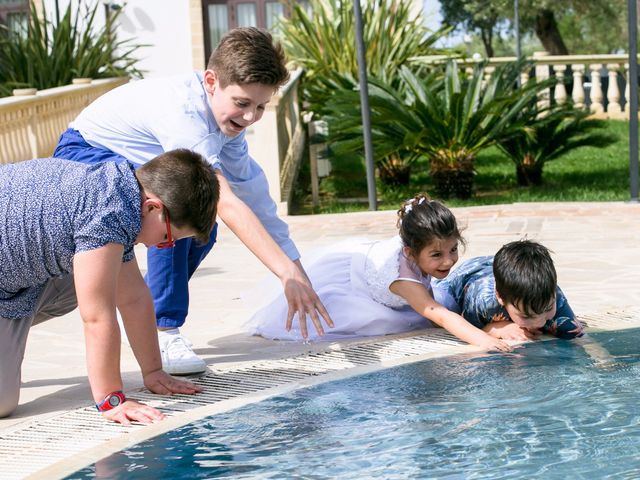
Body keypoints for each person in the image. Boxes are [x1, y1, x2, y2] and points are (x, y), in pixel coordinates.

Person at [53, 27, 332, 375]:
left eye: (261, 106)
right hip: (84, 159)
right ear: (211, 81)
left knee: (198, 226)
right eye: (243, 103)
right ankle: (165, 331)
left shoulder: (226, 124)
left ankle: (155, 315)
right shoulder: (186, 115)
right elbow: (226, 202)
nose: (249, 117)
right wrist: (284, 272)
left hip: (125, 166)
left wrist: (299, 277)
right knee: (175, 215)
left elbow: (256, 199)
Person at [0, 149, 220, 424]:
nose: (163, 247)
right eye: (168, 239)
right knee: (3, 401)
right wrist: (111, 400)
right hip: (9, 280)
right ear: (153, 208)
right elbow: (96, 318)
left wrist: (154, 372)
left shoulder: (119, 191)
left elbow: (133, 298)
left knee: (98, 276)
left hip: (15, 276)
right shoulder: (108, 214)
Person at [246, 194, 511, 352]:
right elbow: (437, 314)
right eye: (437, 255)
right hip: (356, 282)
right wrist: (482, 340)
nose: (448, 261)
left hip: (377, 263)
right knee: (413, 315)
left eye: (453, 250)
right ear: (410, 252)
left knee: (437, 302)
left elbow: (429, 291)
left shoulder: (420, 254)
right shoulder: (404, 278)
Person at [432, 239, 584, 340]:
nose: (539, 322)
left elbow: (578, 337)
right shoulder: (484, 301)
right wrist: (494, 328)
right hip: (469, 275)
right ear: (500, 297)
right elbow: (465, 329)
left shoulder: (552, 295)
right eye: (526, 316)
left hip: (502, 271)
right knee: (441, 304)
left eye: (548, 309)